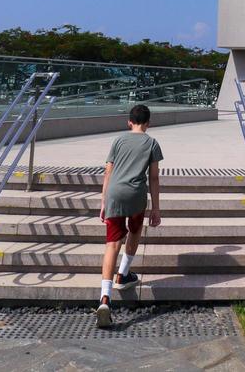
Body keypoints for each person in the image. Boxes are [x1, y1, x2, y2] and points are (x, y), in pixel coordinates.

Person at [95, 103, 163, 329]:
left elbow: (108, 170)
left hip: (114, 192)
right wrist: (156, 208)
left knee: (112, 244)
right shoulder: (152, 143)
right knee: (134, 231)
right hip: (136, 195)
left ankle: (105, 299)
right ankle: (123, 275)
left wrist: (104, 200)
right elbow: (153, 178)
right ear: (148, 124)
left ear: (129, 122)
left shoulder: (118, 140)